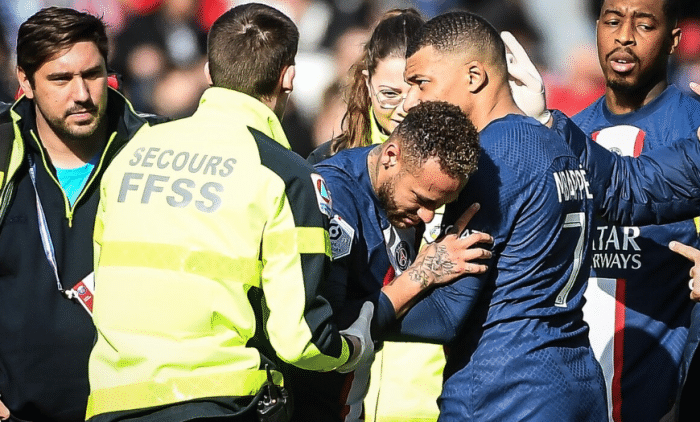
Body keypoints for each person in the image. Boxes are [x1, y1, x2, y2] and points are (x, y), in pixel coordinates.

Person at [85, 4, 485, 421]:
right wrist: (352, 346)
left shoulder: (133, 152)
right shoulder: (285, 175)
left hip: (113, 401)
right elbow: (302, 338)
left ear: (208, 71)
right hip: (218, 400)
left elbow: (99, 275)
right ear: (289, 77)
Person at [391, 11, 608, 420]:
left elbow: (446, 314)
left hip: (505, 392)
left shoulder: (491, 158)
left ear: (474, 76)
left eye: (421, 82)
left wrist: (351, 316)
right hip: (574, 378)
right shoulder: (555, 143)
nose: (410, 100)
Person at [0, 7, 164, 421]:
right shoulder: (2, 151)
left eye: (92, 74)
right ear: (25, 81)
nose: (81, 94)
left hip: (134, 409)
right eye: (60, 79)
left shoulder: (155, 152)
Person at [286, 99, 489, 422]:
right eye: (421, 199)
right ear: (391, 156)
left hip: (350, 402)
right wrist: (421, 275)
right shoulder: (334, 200)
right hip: (304, 405)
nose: (426, 216)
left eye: (438, 205)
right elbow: (323, 328)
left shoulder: (401, 196)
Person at [309, 9, 450, 422]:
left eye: (417, 89)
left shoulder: (456, 172)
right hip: (343, 398)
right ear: (366, 81)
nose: (404, 108)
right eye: (389, 93)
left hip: (427, 402)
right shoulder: (327, 167)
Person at [571, 1, 700, 419]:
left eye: (644, 25)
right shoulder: (570, 133)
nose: (624, 36)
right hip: (576, 397)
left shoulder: (694, 127)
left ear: (673, 40)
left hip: (669, 399)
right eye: (612, 21)